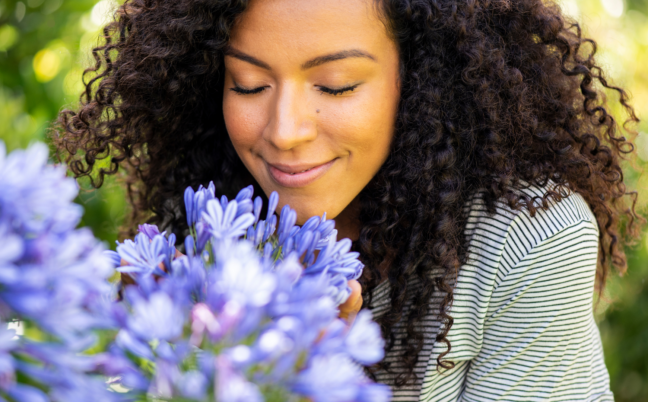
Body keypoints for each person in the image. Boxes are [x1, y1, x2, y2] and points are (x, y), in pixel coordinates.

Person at [55, 0, 642, 400]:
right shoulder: (221, 222)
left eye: (335, 85)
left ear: (417, 76)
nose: (285, 130)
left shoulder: (528, 238)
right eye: (248, 84)